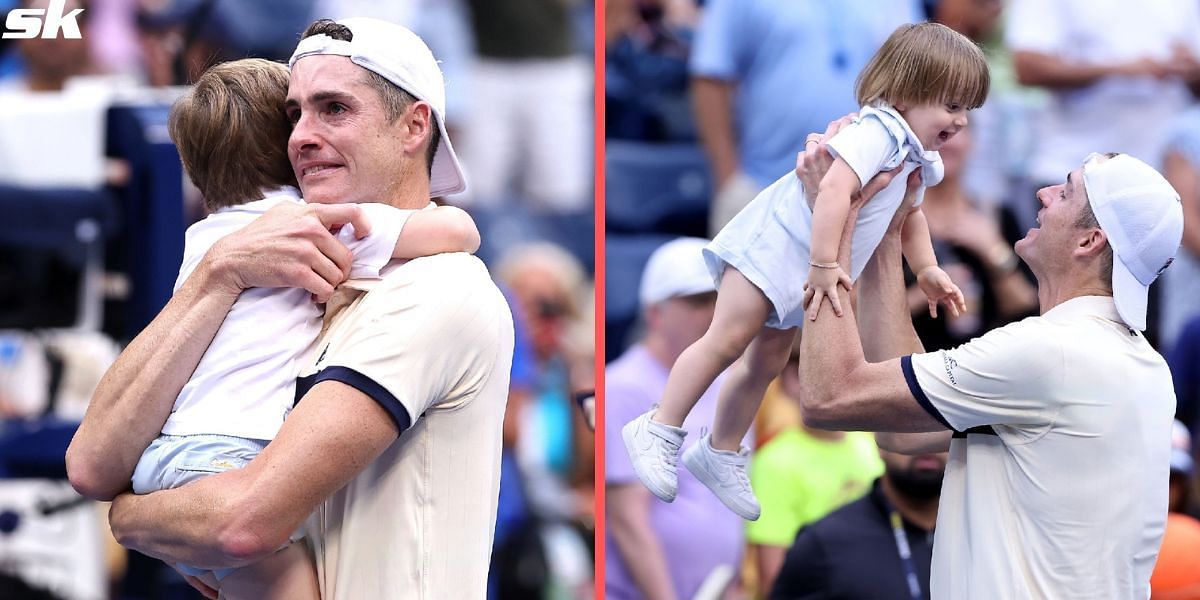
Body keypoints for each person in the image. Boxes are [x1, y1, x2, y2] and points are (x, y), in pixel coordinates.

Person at [65, 17, 515, 599]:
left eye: (333, 109)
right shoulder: (249, 262)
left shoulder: (437, 286)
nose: (300, 135)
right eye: (293, 114)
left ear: (414, 126)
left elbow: (241, 523)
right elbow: (91, 463)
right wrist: (220, 272)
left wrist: (131, 520)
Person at [793, 114, 1184, 598]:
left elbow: (830, 396)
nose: (1042, 194)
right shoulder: (1138, 363)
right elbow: (900, 428)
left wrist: (830, 228)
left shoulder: (1051, 352)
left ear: (1090, 241)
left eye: (1065, 192)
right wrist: (885, 235)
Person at [623, 22, 985, 521]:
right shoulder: (876, 131)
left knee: (765, 360)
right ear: (906, 92)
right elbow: (834, 189)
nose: (960, 120)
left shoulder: (918, 156)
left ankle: (720, 449)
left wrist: (925, 269)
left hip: (810, 266)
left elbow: (910, 215)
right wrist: (824, 264)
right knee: (727, 338)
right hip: (775, 249)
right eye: (951, 104)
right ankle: (660, 425)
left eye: (967, 108)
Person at [689, 0, 922, 234]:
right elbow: (711, 75)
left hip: (866, 193)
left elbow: (918, 75)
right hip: (761, 190)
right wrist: (729, 178)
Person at [605, 236, 749, 600]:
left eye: (719, 300)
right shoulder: (623, 386)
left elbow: (733, 497)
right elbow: (628, 519)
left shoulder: (732, 384)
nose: (713, 312)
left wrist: (734, 585)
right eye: (698, 301)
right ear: (655, 313)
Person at [747, 346, 882, 595]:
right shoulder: (774, 460)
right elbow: (773, 576)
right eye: (801, 372)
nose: (817, 382)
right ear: (785, 381)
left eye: (828, 370)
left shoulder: (874, 444)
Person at [769, 447, 947, 600]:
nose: (927, 443)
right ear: (879, 440)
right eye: (912, 425)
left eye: (942, 424)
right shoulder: (824, 543)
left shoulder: (973, 536)